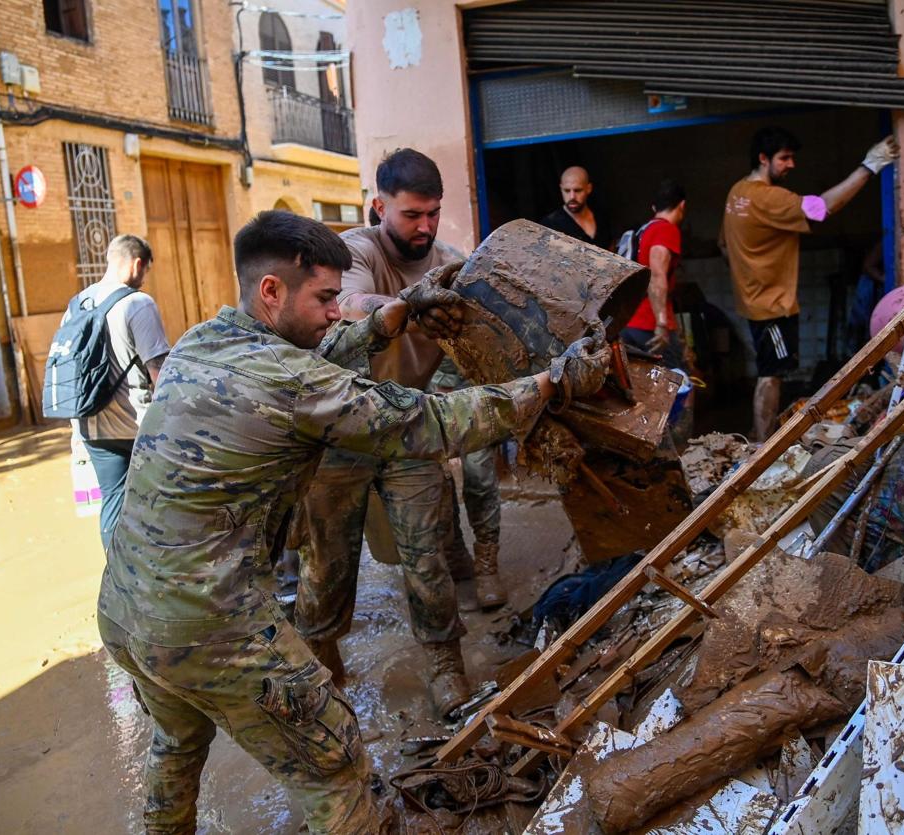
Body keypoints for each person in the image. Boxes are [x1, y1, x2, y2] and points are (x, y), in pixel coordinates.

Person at [97, 209, 608, 834]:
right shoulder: (290, 380)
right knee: (335, 764)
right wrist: (552, 383)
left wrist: (388, 318)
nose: (337, 312)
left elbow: (306, 364)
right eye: (325, 299)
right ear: (271, 291)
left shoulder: (205, 341)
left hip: (125, 611)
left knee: (175, 746)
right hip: (207, 619)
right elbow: (435, 423)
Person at [295, 149, 495, 718]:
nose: (425, 227)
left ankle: (444, 665)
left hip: (406, 425)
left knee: (425, 553)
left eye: (433, 213)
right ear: (378, 205)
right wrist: (406, 302)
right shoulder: (353, 252)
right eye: (412, 215)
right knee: (326, 560)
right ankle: (322, 660)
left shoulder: (453, 265)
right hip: (340, 429)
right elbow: (352, 304)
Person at [720, 127, 898, 441]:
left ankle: (758, 436)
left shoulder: (737, 193)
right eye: (784, 158)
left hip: (753, 299)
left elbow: (722, 243)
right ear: (763, 158)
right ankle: (762, 446)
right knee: (771, 375)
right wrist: (869, 166)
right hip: (770, 304)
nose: (791, 165)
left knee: (770, 370)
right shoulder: (768, 197)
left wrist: (748, 270)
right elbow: (822, 208)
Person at [62, 235, 170, 549]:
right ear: (138, 264)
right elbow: (159, 372)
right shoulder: (137, 302)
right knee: (158, 503)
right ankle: (153, 579)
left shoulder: (77, 304)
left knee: (112, 503)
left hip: (88, 422)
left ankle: (119, 577)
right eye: (146, 271)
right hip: (135, 424)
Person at [431, 357, 505, 610]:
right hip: (427, 389)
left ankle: (487, 568)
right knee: (439, 481)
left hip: (476, 386)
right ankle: (455, 556)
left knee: (479, 478)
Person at [620, 180, 688, 370]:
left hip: (628, 323)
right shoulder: (666, 230)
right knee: (679, 382)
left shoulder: (644, 231)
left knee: (643, 386)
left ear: (653, 207)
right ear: (682, 205)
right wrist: (662, 323)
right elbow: (657, 275)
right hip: (650, 325)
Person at [540, 166, 611, 249]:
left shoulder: (601, 216)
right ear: (561, 189)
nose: (572, 197)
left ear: (588, 188)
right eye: (567, 190)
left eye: (577, 190)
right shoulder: (550, 224)